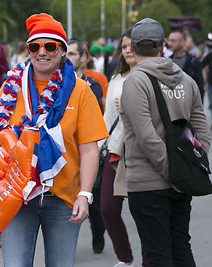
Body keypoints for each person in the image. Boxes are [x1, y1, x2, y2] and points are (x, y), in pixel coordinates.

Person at [0, 13, 108, 267]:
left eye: (50, 46)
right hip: (17, 197)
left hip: (63, 198)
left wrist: (85, 195)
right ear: (28, 50)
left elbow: (89, 149)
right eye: (35, 46)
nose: (42, 52)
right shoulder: (11, 86)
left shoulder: (80, 89)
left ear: (63, 51)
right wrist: (5, 166)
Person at [120, 18, 210, 266]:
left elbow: (147, 137)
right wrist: (190, 168)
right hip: (181, 180)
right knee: (181, 248)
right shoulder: (186, 80)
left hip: (148, 184)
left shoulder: (135, 82)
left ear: (133, 47)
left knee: (158, 253)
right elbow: (202, 128)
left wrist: (173, 174)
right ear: (162, 46)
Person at [100, 28, 148, 267]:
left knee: (144, 212)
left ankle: (148, 260)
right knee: (107, 208)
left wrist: (131, 105)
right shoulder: (116, 78)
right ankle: (125, 258)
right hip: (115, 149)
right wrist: (99, 146)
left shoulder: (151, 77)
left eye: (132, 45)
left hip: (144, 152)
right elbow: (108, 118)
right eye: (124, 46)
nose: (128, 50)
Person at [66, 38, 105, 254]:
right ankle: (66, 243)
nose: (69, 58)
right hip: (67, 154)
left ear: (83, 57)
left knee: (95, 204)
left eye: (73, 54)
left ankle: (98, 233)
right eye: (67, 53)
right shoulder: (57, 85)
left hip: (89, 149)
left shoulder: (93, 85)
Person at [167, 31, 204, 101]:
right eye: (169, 40)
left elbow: (199, 88)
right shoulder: (167, 62)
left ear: (182, 42)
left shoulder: (194, 62)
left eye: (173, 41)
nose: (169, 43)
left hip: (189, 105)